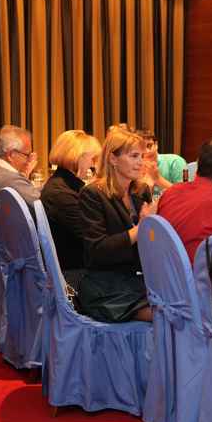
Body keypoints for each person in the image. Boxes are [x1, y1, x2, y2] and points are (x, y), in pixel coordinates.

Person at [78, 128, 154, 323]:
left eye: (142, 156)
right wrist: (141, 228)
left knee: (180, 306)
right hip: (106, 287)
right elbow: (98, 251)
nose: (140, 162)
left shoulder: (141, 191)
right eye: (134, 156)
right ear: (113, 159)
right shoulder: (93, 194)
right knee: (166, 316)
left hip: (138, 281)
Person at [40, 130, 101, 282]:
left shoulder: (60, 185)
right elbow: (92, 238)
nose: (93, 165)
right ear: (78, 158)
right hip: (76, 272)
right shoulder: (62, 195)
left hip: (73, 265)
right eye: (92, 159)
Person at [0, 125, 40, 206]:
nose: (29, 160)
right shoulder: (12, 179)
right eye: (27, 155)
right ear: (11, 155)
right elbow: (42, 204)